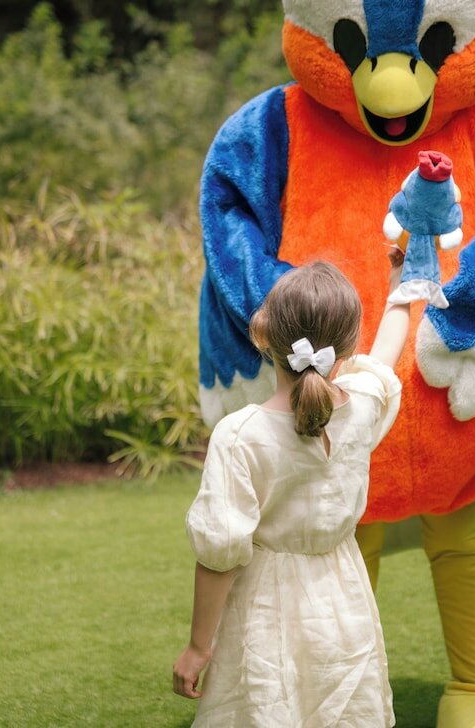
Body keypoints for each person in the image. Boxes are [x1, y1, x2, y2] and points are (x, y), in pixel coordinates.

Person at [173, 255, 410, 727]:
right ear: (347, 347)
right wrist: (402, 285)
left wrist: (199, 646)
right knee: (339, 701)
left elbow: (219, 555)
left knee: (269, 700)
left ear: (264, 333)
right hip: (344, 596)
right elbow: (385, 358)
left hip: (266, 602)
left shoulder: (239, 436)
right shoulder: (361, 408)